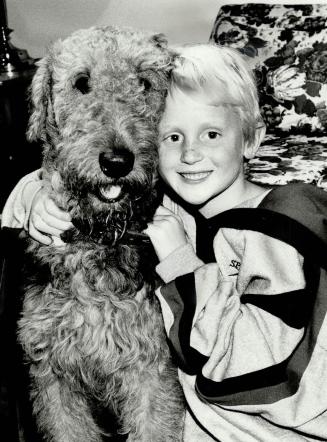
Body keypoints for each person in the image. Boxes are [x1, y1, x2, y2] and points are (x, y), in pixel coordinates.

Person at [2, 44, 327, 442]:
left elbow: (254, 365)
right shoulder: (177, 201)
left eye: (211, 133)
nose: (190, 154)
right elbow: (67, 173)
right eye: (171, 136)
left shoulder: (282, 227)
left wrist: (178, 260)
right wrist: (33, 194)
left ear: (250, 140)